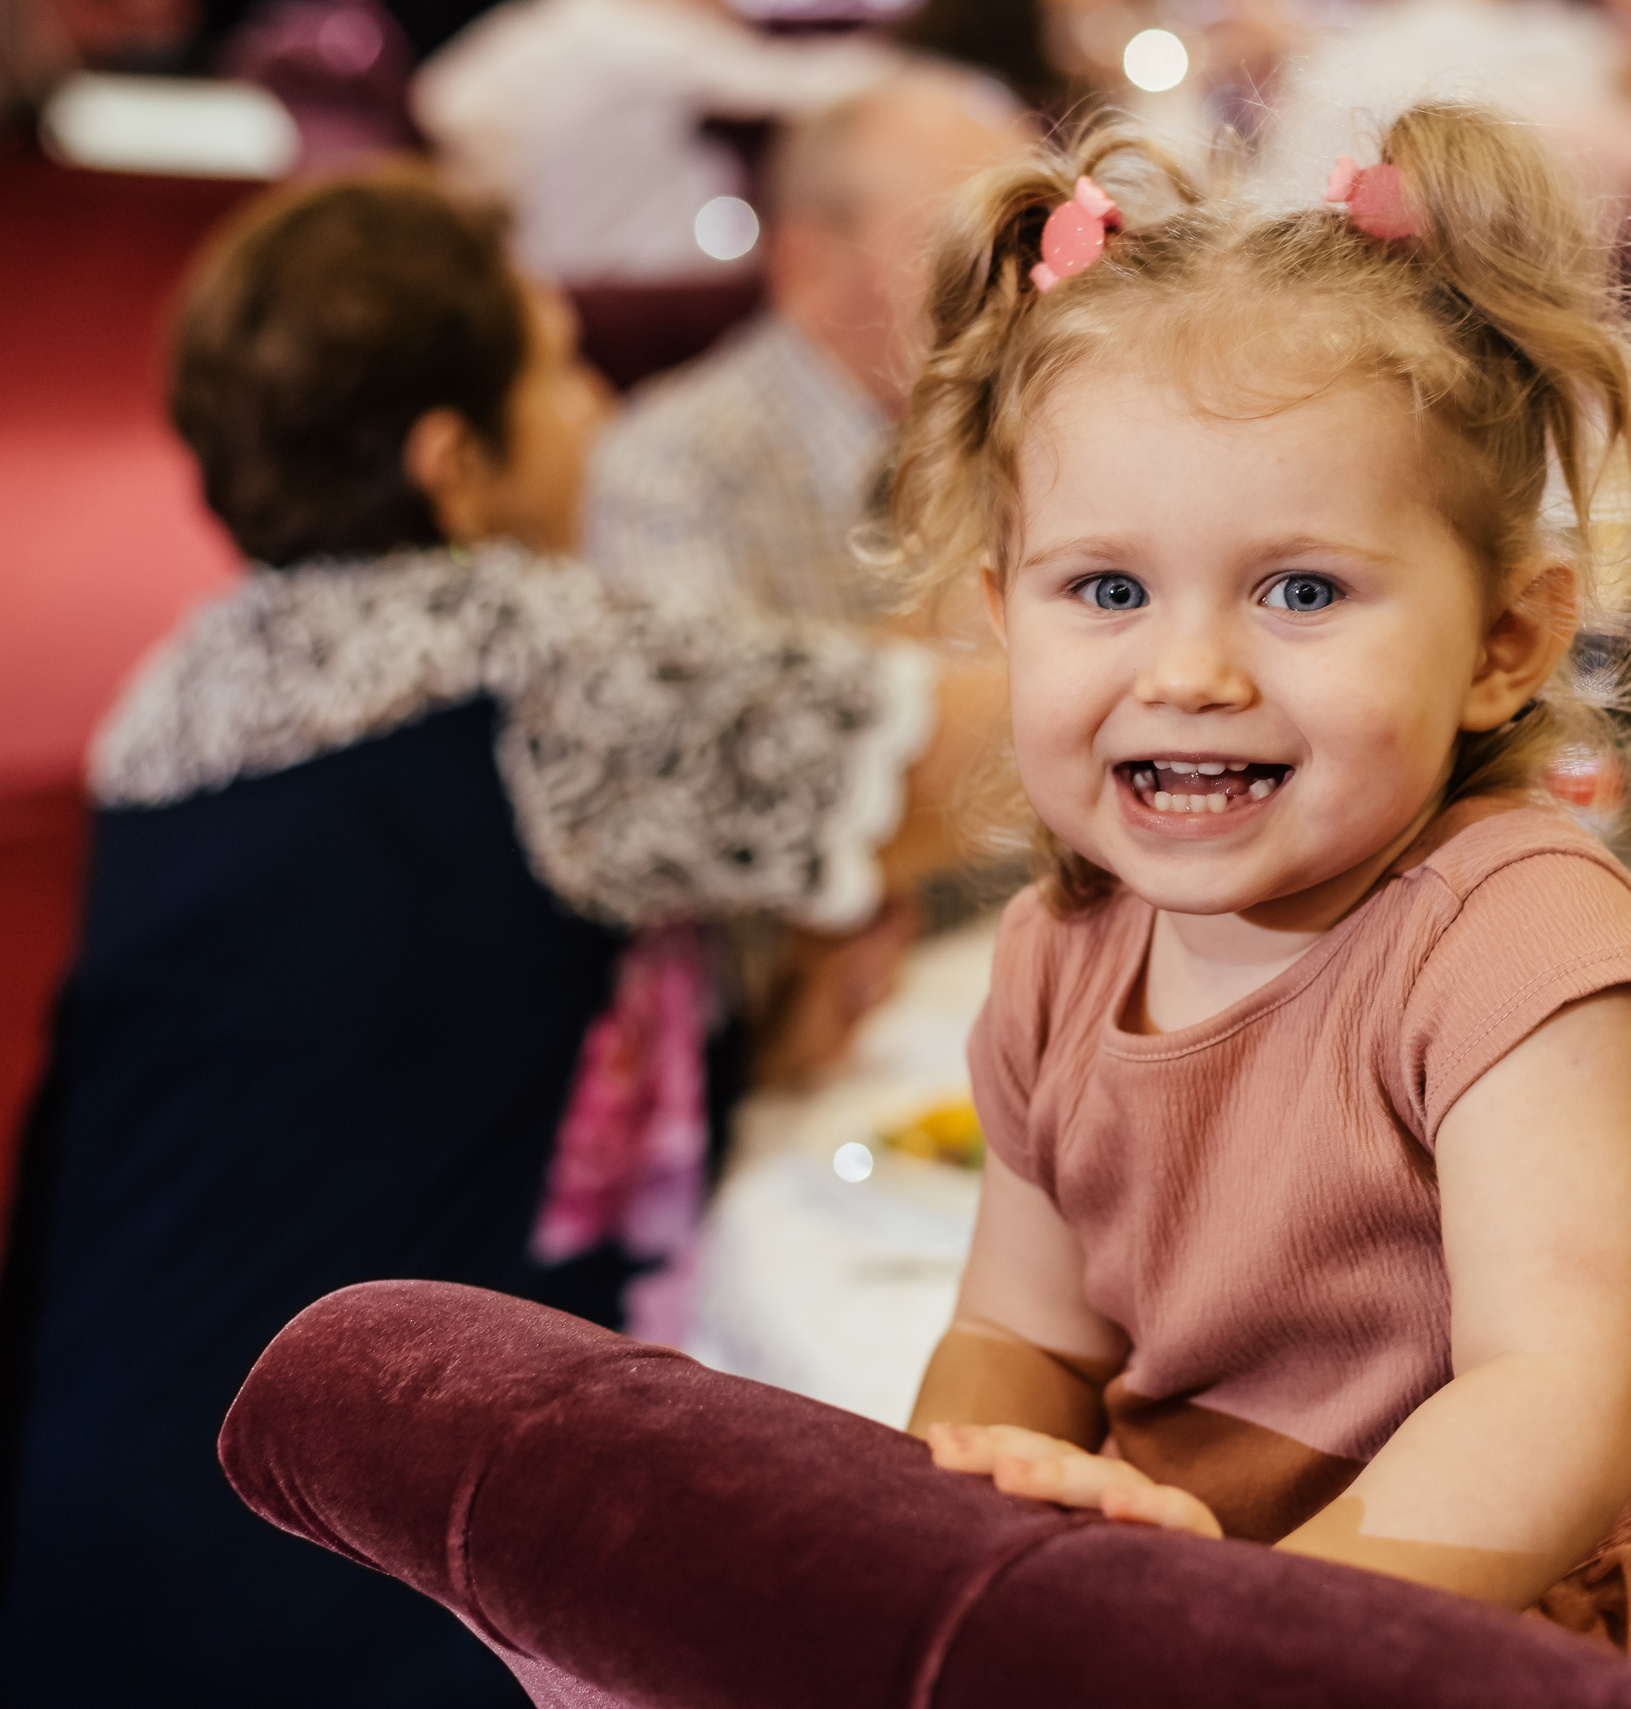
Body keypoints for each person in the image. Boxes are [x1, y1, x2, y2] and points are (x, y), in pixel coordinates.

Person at [889, 103, 1631, 1708]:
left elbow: (1549, 1403)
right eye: (1106, 588)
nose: (1190, 668)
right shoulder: (1055, 951)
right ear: (1000, 617)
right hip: (1202, 1601)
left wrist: (1242, 1646)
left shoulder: (1520, 937)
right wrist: (958, 1549)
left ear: (1508, 644)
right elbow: (1023, 1335)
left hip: (1502, 1635)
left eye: (1302, 590)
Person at [0, 168, 983, 1707]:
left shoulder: (177, 691)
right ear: (452, 460)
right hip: (354, 1553)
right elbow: (994, 752)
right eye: (557, 365)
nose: (599, 403)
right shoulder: (531, 661)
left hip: (99, 1493)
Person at [585, 70, 1029, 624]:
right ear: (811, 265)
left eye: (1027, 239)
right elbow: (717, 707)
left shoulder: (1036, 423)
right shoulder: (674, 467)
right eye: (954, 249)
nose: (1017, 283)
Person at [411, 0, 889, 283]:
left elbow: (442, 101)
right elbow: (812, 84)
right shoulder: (638, 42)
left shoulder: (523, 37)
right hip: (648, 280)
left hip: (549, 270)